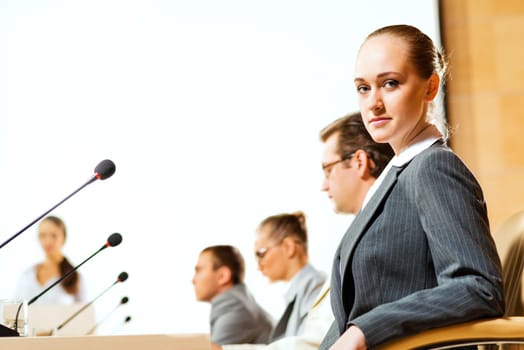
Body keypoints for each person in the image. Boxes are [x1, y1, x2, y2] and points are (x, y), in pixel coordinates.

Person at [320, 24, 505, 350]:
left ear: (430, 87)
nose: (373, 103)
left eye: (389, 83)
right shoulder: (398, 174)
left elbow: (479, 287)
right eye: (363, 88)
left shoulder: (433, 167)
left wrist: (365, 331)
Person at [214, 112, 394, 350]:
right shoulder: (362, 238)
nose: (323, 185)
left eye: (328, 170)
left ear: (359, 163)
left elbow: (318, 343)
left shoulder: (378, 241)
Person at [255, 211, 326, 341]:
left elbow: (308, 344)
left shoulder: (316, 286)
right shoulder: (303, 288)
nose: (258, 266)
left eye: (261, 254)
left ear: (289, 247)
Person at [192, 245, 273, 346]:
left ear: (223, 276)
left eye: (198, 270)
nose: (193, 280)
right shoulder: (241, 301)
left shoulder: (235, 307)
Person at [14, 215, 87, 304]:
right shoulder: (27, 275)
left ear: (63, 237)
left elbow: (83, 314)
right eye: (43, 235)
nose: (48, 241)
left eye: (54, 235)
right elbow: (15, 309)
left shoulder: (75, 277)